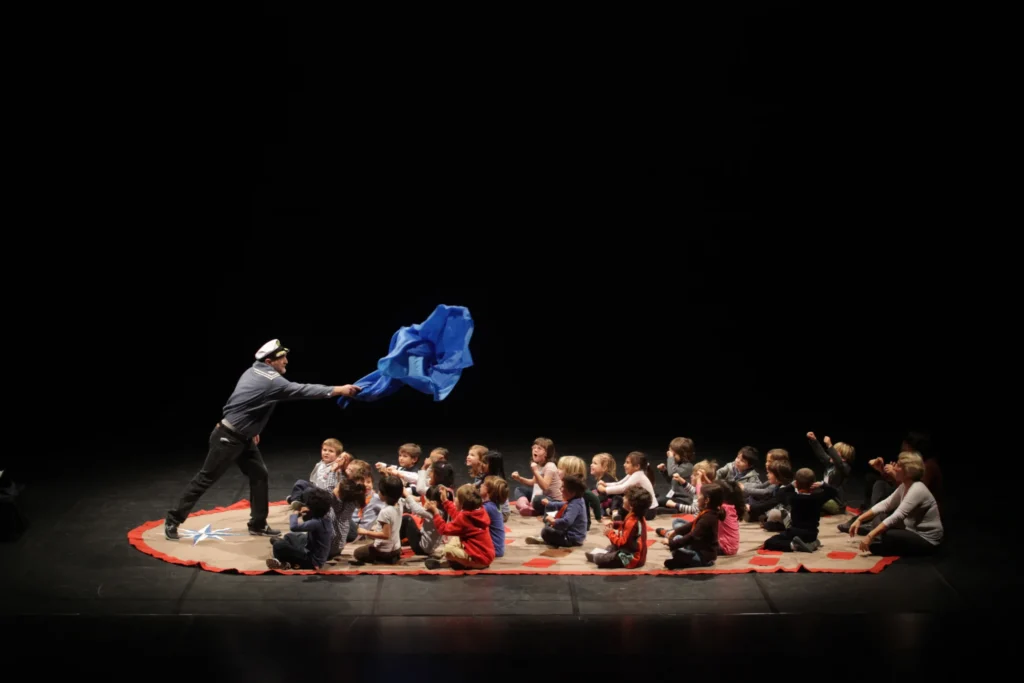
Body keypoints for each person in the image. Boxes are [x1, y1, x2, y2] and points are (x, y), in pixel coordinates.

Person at [165, 339, 361, 540]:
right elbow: (303, 390)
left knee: (259, 475)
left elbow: (239, 403)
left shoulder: (252, 371)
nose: (286, 361)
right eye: (282, 358)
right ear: (269, 361)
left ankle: (258, 524)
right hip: (228, 438)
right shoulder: (272, 381)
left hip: (242, 436)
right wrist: (339, 389)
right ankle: (173, 520)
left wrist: (251, 428)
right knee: (205, 479)